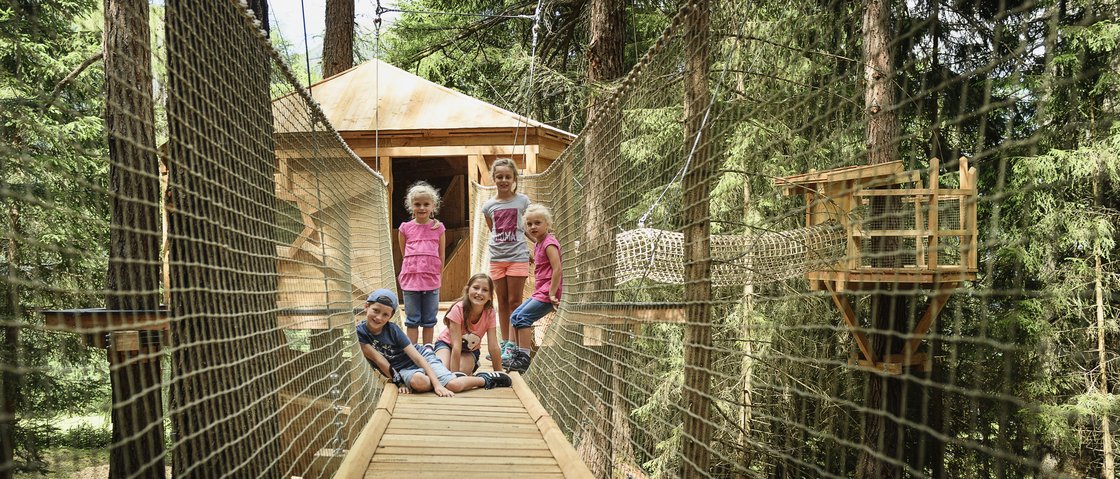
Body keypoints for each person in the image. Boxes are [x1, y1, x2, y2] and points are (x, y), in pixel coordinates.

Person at [357, 288, 511, 395]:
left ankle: (486, 379)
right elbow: (379, 359)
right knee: (420, 384)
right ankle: (435, 376)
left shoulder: (393, 330)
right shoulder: (360, 333)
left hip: (421, 358)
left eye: (385, 314)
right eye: (375, 311)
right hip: (402, 370)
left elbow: (417, 357)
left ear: (390, 317)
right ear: (366, 307)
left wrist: (437, 385)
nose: (379, 318)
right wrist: (400, 383)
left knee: (454, 386)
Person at [481, 158, 531, 361]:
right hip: (497, 258)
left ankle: (514, 344)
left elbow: (528, 227)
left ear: (514, 179)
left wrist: (541, 244)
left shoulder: (523, 201)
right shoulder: (488, 206)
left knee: (515, 301)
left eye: (507, 177)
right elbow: (493, 229)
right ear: (494, 178)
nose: (503, 180)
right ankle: (505, 343)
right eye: (499, 176)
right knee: (500, 301)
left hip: (517, 256)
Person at [503, 204, 562, 374]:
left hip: (549, 292)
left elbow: (557, 269)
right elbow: (526, 231)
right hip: (541, 291)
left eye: (538, 223)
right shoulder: (538, 242)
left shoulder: (549, 243)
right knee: (514, 316)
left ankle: (524, 357)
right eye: (529, 224)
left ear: (547, 224)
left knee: (522, 318)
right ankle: (515, 354)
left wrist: (552, 292)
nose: (533, 227)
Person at [398, 181, 445, 346]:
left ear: (433, 206)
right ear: (411, 206)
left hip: (431, 280)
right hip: (411, 280)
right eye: (417, 204)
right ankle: (412, 351)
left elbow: (441, 254)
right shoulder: (405, 228)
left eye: (426, 204)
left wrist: (439, 275)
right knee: (412, 319)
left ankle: (427, 349)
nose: (422, 208)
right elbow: (405, 253)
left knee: (429, 319)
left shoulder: (438, 228)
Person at [434, 273, 505, 374]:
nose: (479, 292)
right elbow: (456, 346)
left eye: (485, 290)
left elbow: (493, 346)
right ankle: (436, 358)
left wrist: (500, 373)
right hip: (447, 344)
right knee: (442, 371)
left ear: (490, 296)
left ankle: (472, 364)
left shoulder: (490, 313)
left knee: (462, 370)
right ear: (467, 290)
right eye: (475, 288)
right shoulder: (458, 309)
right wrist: (454, 376)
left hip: (470, 350)